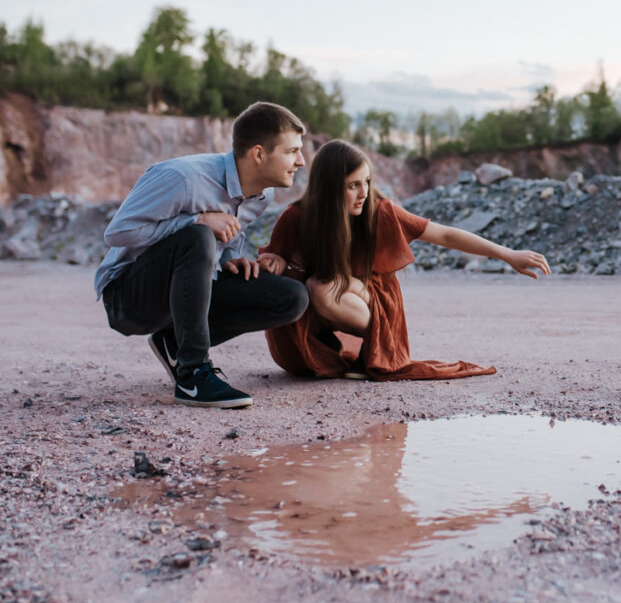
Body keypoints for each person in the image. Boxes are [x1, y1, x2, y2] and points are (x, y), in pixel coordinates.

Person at [257, 139, 551, 380]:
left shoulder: (380, 212)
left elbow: (445, 236)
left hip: (371, 304)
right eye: (353, 186)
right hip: (321, 309)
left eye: (367, 182)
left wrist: (507, 254)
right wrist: (278, 264)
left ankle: (372, 351)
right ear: (329, 188)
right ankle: (326, 350)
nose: (364, 193)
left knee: (321, 287)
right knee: (311, 287)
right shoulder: (296, 218)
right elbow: (276, 268)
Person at [94, 102, 311, 408]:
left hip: (185, 291)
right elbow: (117, 233)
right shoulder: (184, 179)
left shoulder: (263, 194)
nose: (301, 161)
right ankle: (192, 375)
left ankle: (173, 342)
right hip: (128, 298)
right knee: (197, 236)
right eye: (292, 151)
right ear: (259, 154)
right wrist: (196, 221)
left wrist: (230, 257)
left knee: (291, 297)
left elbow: (232, 231)